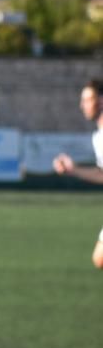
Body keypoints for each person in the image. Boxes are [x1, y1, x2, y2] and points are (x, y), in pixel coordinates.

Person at [52, 78, 103, 269]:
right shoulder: (98, 137)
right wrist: (73, 169)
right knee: (99, 259)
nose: (82, 105)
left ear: (101, 101)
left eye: (87, 100)